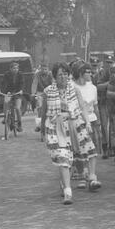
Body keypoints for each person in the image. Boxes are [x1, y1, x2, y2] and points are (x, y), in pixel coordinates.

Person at [42, 62, 97, 204]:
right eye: (60, 74)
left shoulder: (74, 89)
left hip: (74, 123)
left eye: (65, 74)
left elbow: (83, 106)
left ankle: (91, 176)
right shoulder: (48, 91)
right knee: (63, 157)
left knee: (88, 150)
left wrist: (88, 122)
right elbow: (44, 113)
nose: (63, 77)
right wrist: (43, 130)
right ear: (55, 76)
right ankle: (68, 191)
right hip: (56, 128)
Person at [72, 64, 103, 190]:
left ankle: (91, 176)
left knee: (92, 150)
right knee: (80, 151)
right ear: (80, 74)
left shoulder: (93, 88)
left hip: (92, 120)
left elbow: (95, 106)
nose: (90, 74)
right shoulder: (73, 87)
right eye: (87, 72)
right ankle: (82, 175)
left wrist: (99, 121)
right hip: (78, 121)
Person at [93, 55, 113, 158]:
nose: (109, 64)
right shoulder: (100, 74)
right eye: (107, 62)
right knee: (105, 127)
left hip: (114, 104)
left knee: (112, 128)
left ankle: (113, 148)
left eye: (110, 62)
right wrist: (109, 84)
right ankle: (105, 148)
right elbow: (98, 87)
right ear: (104, 63)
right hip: (103, 102)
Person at [0, 62, 24, 132]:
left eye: (17, 68)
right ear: (10, 69)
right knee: (6, 102)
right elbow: (3, 83)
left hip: (17, 93)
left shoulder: (20, 74)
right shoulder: (6, 74)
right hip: (8, 92)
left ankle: (19, 124)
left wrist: (21, 90)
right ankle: (5, 117)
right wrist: (0, 90)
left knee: (17, 108)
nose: (16, 69)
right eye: (14, 68)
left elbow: (22, 83)